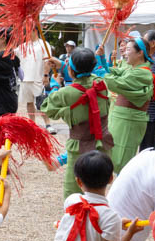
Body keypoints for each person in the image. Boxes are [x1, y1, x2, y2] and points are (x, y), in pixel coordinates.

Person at [42, 47, 114, 197]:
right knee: (98, 189)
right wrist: (62, 64)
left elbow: (47, 107)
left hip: (79, 148)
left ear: (71, 70)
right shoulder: (102, 84)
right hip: (103, 144)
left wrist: (55, 85)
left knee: (73, 192)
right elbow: (91, 74)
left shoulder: (66, 93)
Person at [103, 36, 155, 173]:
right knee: (113, 154)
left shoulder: (142, 73)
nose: (124, 53)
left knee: (121, 160)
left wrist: (101, 72)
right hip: (122, 117)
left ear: (140, 53)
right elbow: (115, 72)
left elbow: (116, 83)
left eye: (128, 49)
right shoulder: (133, 69)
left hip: (129, 119)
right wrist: (100, 60)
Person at [17, 38, 53, 131]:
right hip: (25, 78)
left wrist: (46, 74)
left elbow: (47, 61)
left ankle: (48, 124)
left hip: (38, 78)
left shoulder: (43, 44)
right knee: (29, 103)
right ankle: (32, 124)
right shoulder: (22, 45)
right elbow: (13, 54)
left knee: (41, 103)